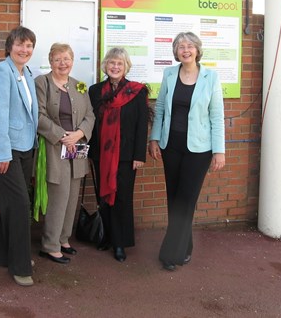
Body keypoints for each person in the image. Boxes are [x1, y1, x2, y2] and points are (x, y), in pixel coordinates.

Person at [148, 31, 225, 272]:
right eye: (181, 46)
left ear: (197, 50)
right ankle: (187, 246)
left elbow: (217, 115)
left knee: (186, 200)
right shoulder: (170, 74)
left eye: (190, 46)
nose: (185, 49)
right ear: (176, 51)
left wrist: (219, 151)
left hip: (199, 149)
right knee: (174, 198)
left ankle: (171, 253)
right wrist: (154, 138)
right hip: (171, 146)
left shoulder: (210, 77)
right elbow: (160, 108)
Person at [0, 26, 38, 287]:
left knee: (12, 206)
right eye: (20, 44)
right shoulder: (0, 71)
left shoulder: (26, 72)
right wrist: (2, 153)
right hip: (6, 149)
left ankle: (7, 256)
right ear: (9, 47)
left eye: (29, 46)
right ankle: (20, 266)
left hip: (25, 146)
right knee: (19, 205)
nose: (24, 50)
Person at [34, 43, 95, 264]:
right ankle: (49, 246)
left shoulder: (79, 86)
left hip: (76, 147)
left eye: (67, 59)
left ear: (73, 60)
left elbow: (90, 115)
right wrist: (62, 135)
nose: (63, 63)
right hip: (54, 146)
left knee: (72, 194)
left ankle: (63, 239)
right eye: (58, 59)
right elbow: (38, 115)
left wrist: (78, 134)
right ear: (51, 61)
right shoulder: (42, 83)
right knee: (59, 195)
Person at [88, 47, 150, 262]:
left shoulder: (137, 91)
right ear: (105, 65)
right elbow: (90, 122)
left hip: (125, 155)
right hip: (101, 154)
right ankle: (106, 236)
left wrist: (139, 155)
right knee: (103, 196)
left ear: (126, 67)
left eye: (119, 64)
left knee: (122, 198)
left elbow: (142, 125)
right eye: (112, 63)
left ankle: (120, 243)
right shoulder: (95, 91)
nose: (115, 67)